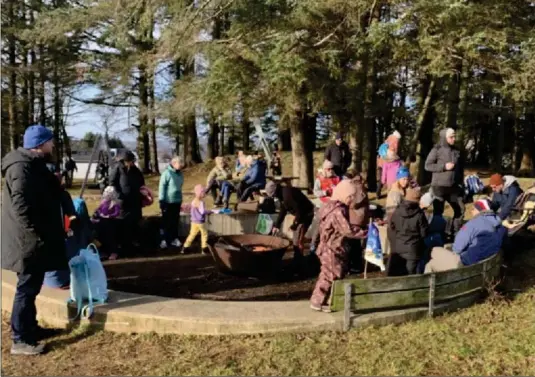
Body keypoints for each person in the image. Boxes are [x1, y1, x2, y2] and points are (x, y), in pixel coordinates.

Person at [1, 125, 67, 355]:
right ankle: (20, 339)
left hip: (33, 238)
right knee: (26, 289)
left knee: (32, 286)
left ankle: (31, 328)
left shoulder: (32, 165)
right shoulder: (21, 168)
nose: (53, 145)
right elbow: (21, 206)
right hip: (26, 241)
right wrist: (34, 234)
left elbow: (43, 193)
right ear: (40, 144)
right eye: (50, 141)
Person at [309, 180, 366, 312]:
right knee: (332, 274)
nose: (352, 200)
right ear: (344, 194)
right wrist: (365, 232)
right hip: (332, 248)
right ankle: (319, 301)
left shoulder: (328, 206)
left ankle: (325, 299)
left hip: (329, 246)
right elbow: (347, 230)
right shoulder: (338, 211)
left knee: (329, 273)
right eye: (350, 196)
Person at [424, 199, 506, 273]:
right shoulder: (498, 224)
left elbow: (457, 248)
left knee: (433, 253)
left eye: (473, 209)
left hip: (466, 264)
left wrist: (451, 249)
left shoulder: (474, 224)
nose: (471, 211)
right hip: (485, 262)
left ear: (480, 210)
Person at [424, 128, 465, 235]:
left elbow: (460, 168)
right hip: (439, 187)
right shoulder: (436, 150)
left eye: (454, 136)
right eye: (451, 137)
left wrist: (461, 183)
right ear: (444, 138)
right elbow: (427, 166)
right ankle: (437, 234)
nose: (454, 139)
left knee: (460, 210)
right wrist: (444, 167)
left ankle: (455, 232)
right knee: (438, 213)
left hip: (453, 187)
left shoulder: (456, 150)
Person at [267, 181, 315, 263]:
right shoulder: (282, 194)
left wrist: (295, 224)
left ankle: (300, 262)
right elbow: (283, 210)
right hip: (300, 214)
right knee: (296, 239)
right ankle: (298, 259)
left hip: (306, 214)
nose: (274, 197)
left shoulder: (287, 196)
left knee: (298, 240)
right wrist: (277, 225)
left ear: (276, 191)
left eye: (273, 195)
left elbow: (299, 211)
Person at [109, 150, 145, 254]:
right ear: (124, 161)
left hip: (135, 201)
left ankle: (134, 243)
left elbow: (141, 182)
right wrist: (119, 196)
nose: (131, 163)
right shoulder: (117, 169)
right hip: (122, 202)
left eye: (132, 161)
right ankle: (123, 245)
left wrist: (142, 194)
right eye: (130, 161)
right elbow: (112, 183)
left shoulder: (136, 171)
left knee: (135, 222)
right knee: (123, 223)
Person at [387, 188, 429, 276]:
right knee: (412, 273)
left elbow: (392, 227)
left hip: (399, 246)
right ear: (417, 200)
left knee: (399, 272)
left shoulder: (397, 211)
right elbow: (424, 233)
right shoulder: (420, 214)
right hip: (413, 249)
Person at [158, 156, 184, 249]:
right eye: (180, 163)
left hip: (177, 201)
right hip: (167, 201)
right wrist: (161, 200)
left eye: (182, 163)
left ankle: (174, 239)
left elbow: (179, 186)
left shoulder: (180, 174)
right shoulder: (167, 173)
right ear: (174, 163)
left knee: (175, 221)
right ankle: (164, 240)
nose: (181, 165)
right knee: (166, 221)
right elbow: (162, 187)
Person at [92, 186, 122, 260]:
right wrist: (97, 214)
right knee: (101, 237)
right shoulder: (103, 202)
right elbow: (98, 210)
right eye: (106, 193)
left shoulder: (115, 203)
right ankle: (103, 252)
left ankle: (113, 252)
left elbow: (117, 213)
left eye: (108, 193)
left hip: (110, 223)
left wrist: (109, 216)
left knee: (110, 238)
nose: (106, 195)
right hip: (102, 222)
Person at [181, 184, 212, 254]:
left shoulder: (193, 201)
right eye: (203, 192)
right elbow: (202, 212)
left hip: (193, 221)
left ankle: (185, 247)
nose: (205, 194)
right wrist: (210, 211)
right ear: (200, 193)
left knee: (192, 234)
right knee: (204, 234)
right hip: (200, 222)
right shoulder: (201, 202)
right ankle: (204, 248)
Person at [377, 131, 402, 198]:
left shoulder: (387, 140)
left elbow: (381, 151)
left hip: (381, 162)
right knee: (390, 181)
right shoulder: (395, 140)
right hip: (389, 162)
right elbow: (395, 151)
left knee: (381, 178)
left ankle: (378, 193)